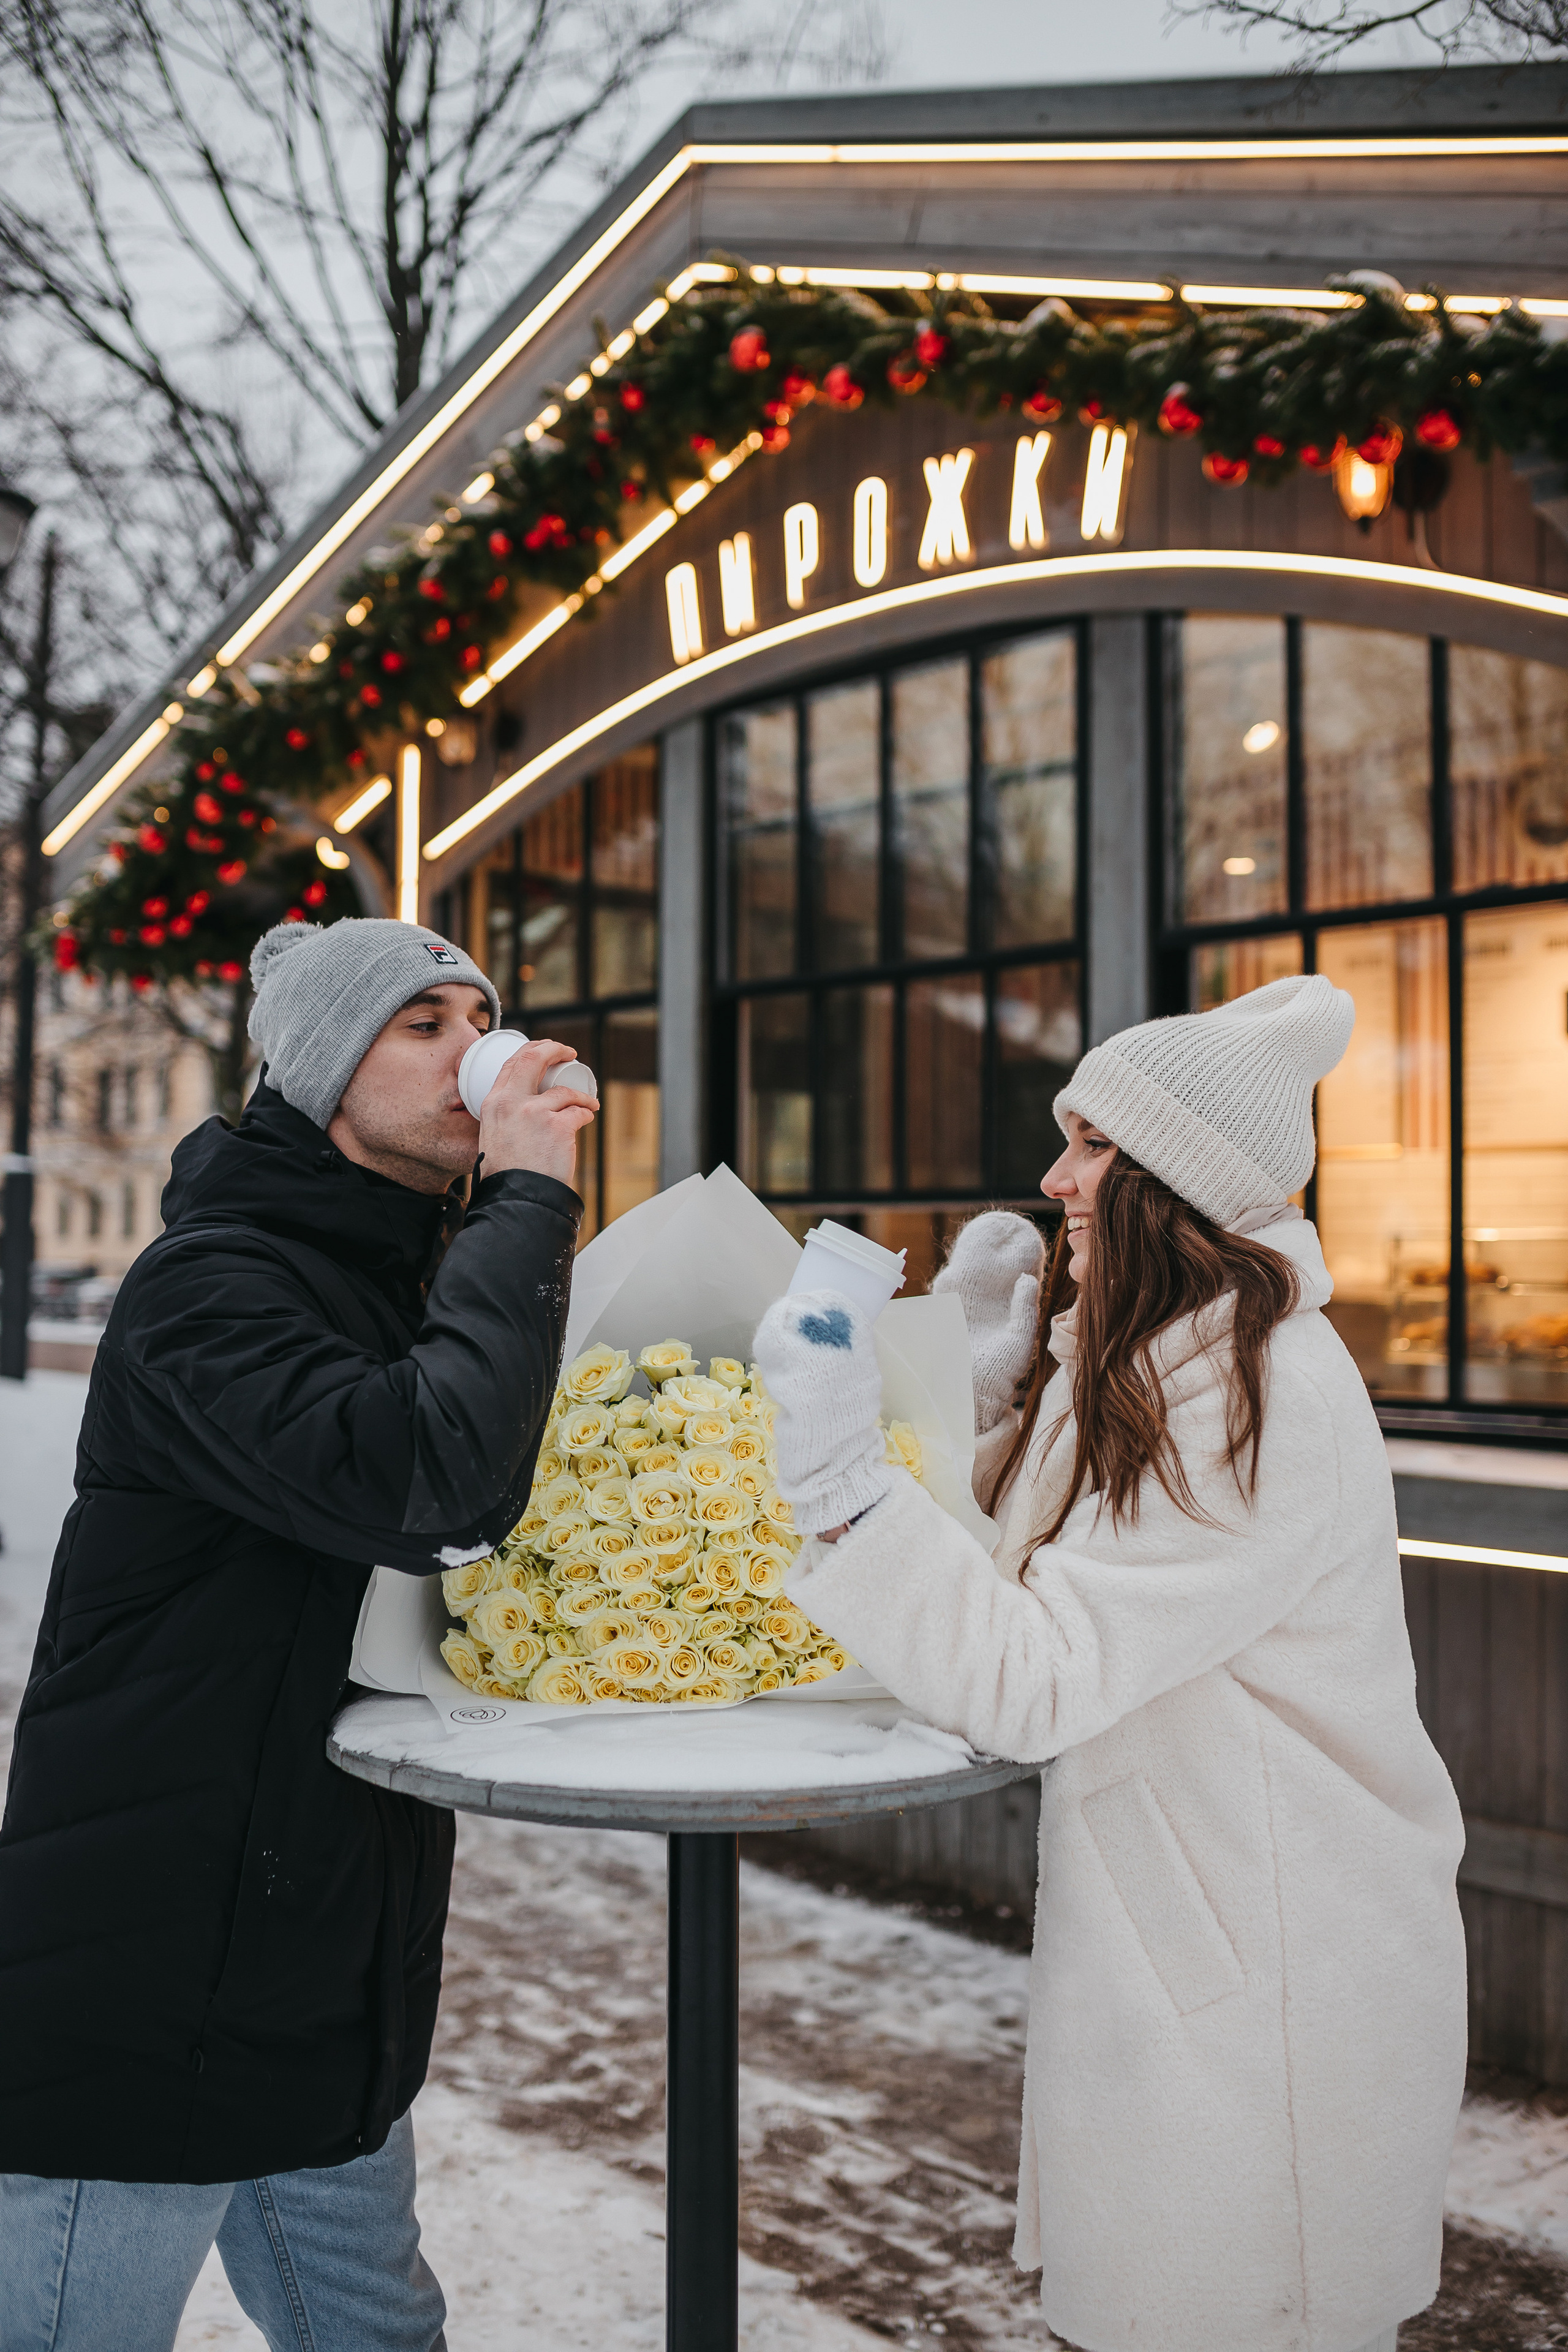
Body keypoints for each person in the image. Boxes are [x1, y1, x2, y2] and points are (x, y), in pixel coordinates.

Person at [754, 974, 1467, 2352]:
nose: (1051, 1175)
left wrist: (844, 1474)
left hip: (1271, 1968)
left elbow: (1033, 1672)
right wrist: (975, 1393)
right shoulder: (1161, 1356)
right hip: (1199, 1930)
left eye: (1087, 1145)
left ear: (1169, 1179)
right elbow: (1025, 1575)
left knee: (1234, 2311)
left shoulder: (1259, 1396)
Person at [0, 916, 595, 2352]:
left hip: (319, 1968)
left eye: (483, 1015)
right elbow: (433, 1485)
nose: (478, 1048)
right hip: (147, 1974)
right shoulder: (213, 1286)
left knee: (377, 2335)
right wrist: (526, 1202)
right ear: (327, 1072)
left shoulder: (393, 1281)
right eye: (427, 1024)